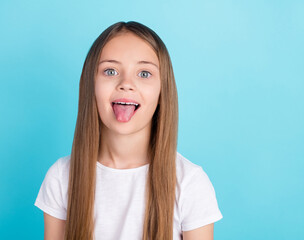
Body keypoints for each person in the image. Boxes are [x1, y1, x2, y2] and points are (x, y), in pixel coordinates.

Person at [34, 21, 223, 240]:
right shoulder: (61, 177)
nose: (126, 84)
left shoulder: (190, 183)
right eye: (110, 71)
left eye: (144, 73)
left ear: (163, 90)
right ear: (90, 84)